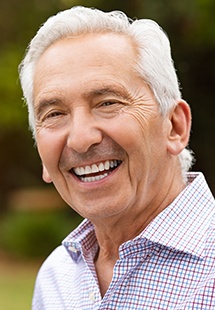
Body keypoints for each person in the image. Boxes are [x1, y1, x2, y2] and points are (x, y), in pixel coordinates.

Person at [19, 6, 215, 310]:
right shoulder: (57, 276)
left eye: (107, 102)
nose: (81, 139)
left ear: (174, 127)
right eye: (55, 114)